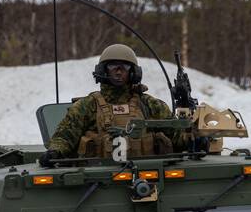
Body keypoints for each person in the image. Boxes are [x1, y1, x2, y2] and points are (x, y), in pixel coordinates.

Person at [45, 43, 182, 159]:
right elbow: (64, 137)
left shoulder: (150, 105)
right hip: (98, 178)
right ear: (103, 70)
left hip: (147, 174)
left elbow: (176, 135)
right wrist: (54, 152)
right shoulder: (87, 106)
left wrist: (195, 138)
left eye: (125, 67)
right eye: (112, 66)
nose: (118, 72)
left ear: (134, 72)